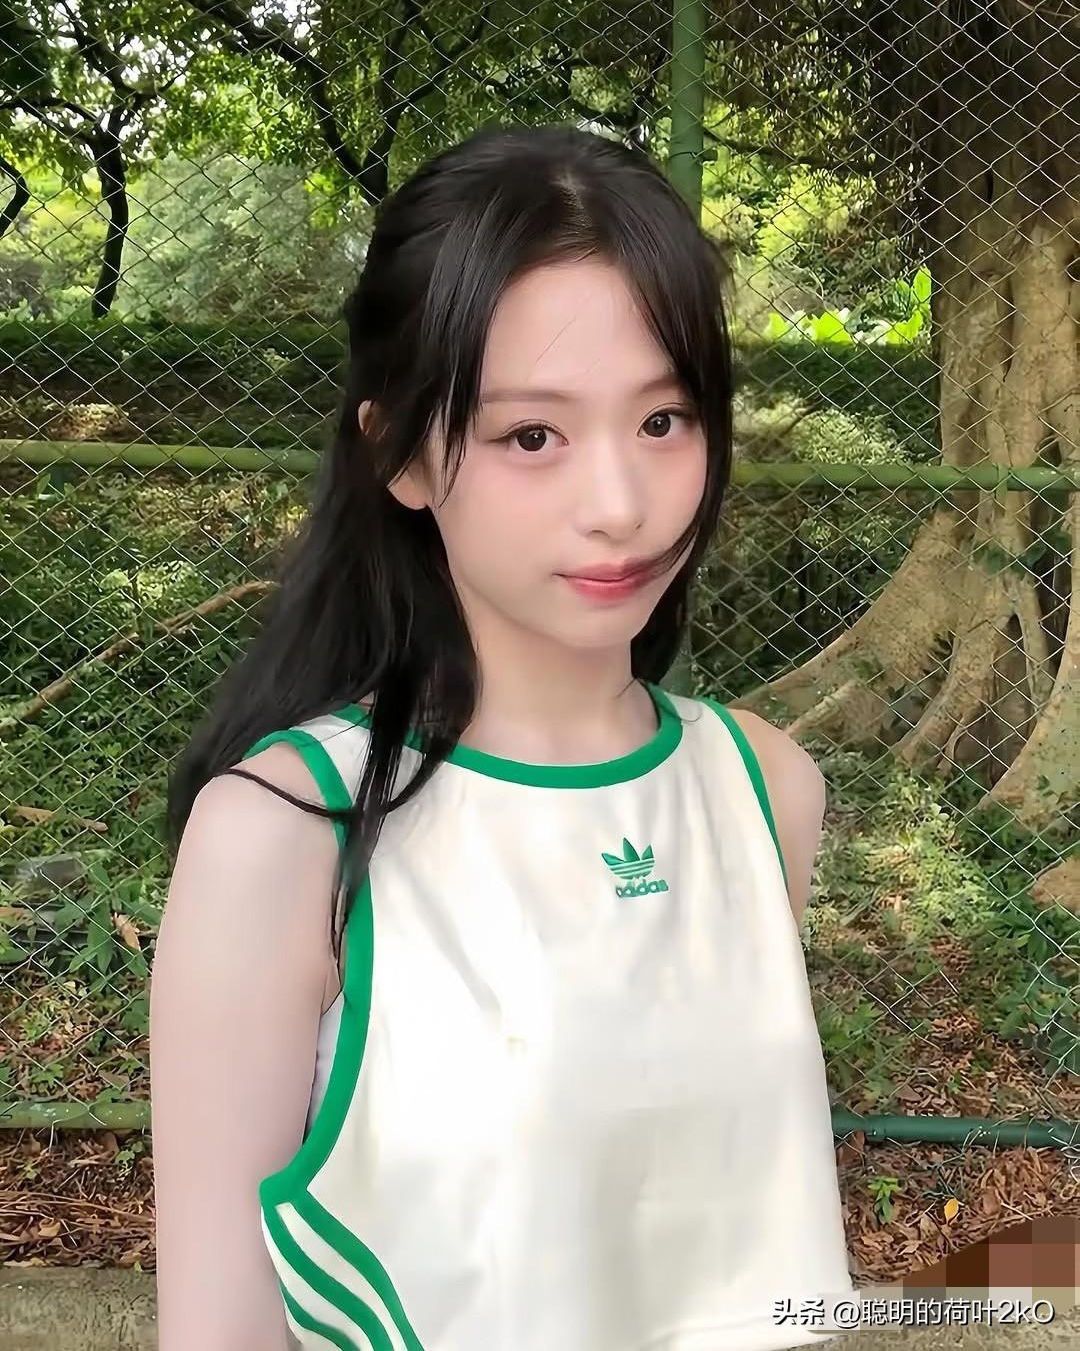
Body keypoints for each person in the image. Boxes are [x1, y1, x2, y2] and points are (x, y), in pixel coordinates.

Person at [150, 123, 860, 1351]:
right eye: (533, 436)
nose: (621, 505)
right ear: (402, 456)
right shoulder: (286, 836)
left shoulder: (761, 791)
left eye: (664, 421)